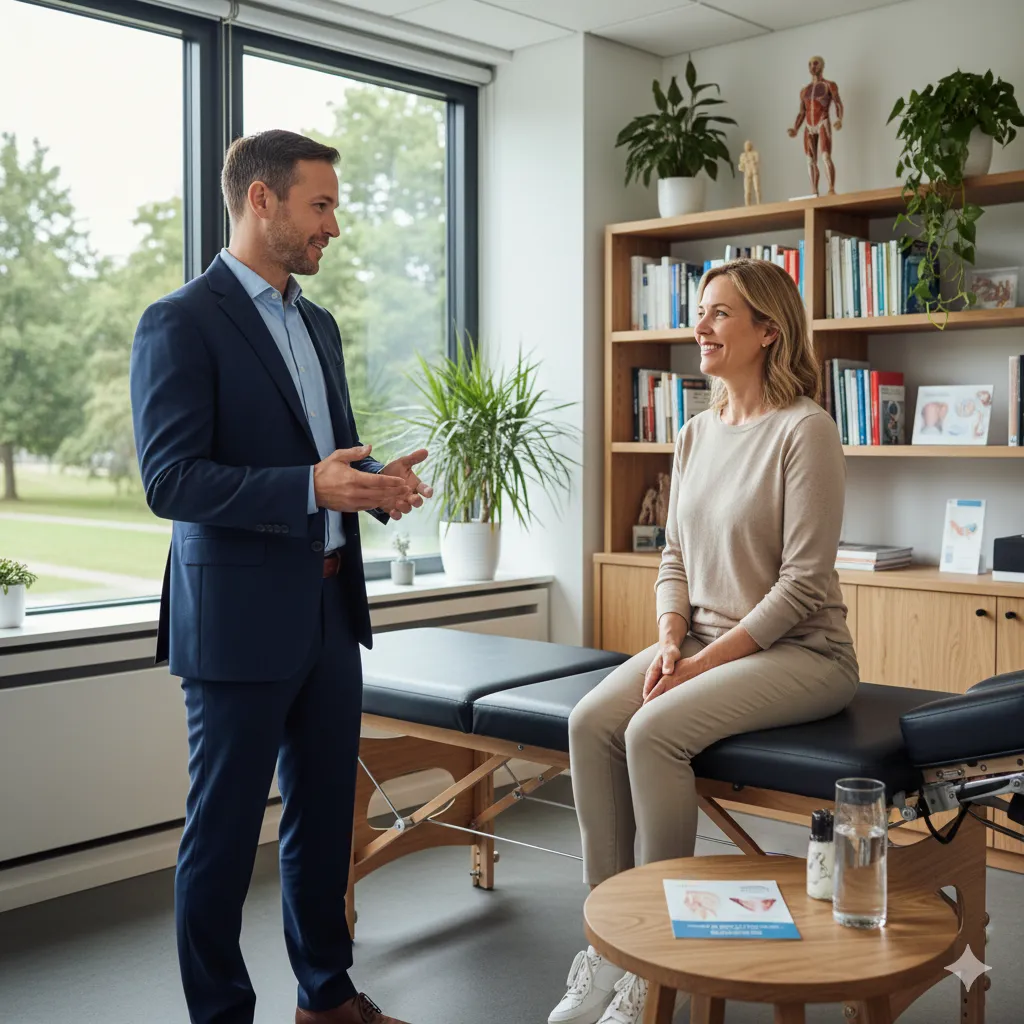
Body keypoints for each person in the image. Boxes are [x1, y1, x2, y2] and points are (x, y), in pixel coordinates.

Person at [130, 129, 431, 1024]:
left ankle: (325, 994)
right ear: (261, 200)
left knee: (322, 817)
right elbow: (170, 481)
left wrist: (374, 490)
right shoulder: (179, 321)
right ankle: (221, 1013)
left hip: (331, 609)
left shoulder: (318, 324)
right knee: (222, 836)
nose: (332, 225)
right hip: (236, 622)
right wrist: (310, 485)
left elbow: (322, 458)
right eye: (321, 204)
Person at [548, 258, 859, 1024]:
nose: (700, 326)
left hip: (803, 653)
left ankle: (661, 965)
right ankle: (608, 939)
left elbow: (803, 584)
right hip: (701, 641)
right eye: (700, 311)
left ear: (767, 331)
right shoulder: (692, 433)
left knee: (652, 732)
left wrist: (696, 667)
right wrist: (667, 639)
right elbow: (675, 556)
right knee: (590, 723)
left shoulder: (805, 430)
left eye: (721, 314)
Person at [787, 55, 844, 195]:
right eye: (810, 64)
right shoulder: (804, 90)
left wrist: (839, 119)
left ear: (822, 66)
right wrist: (795, 128)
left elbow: (838, 103)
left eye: (816, 64)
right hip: (808, 125)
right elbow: (802, 112)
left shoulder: (829, 85)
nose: (813, 67)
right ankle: (814, 191)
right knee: (810, 160)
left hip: (822, 121)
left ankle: (831, 188)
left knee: (825, 156)